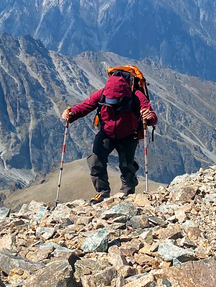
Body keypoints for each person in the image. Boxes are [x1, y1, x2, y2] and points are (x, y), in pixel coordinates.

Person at [62, 71, 157, 202]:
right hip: (106, 133)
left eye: (114, 101)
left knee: (126, 165)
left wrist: (150, 117)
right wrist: (70, 114)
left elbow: (151, 115)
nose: (111, 103)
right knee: (96, 160)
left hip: (128, 136)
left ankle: (127, 193)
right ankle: (102, 192)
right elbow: (84, 106)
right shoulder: (102, 94)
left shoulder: (136, 96)